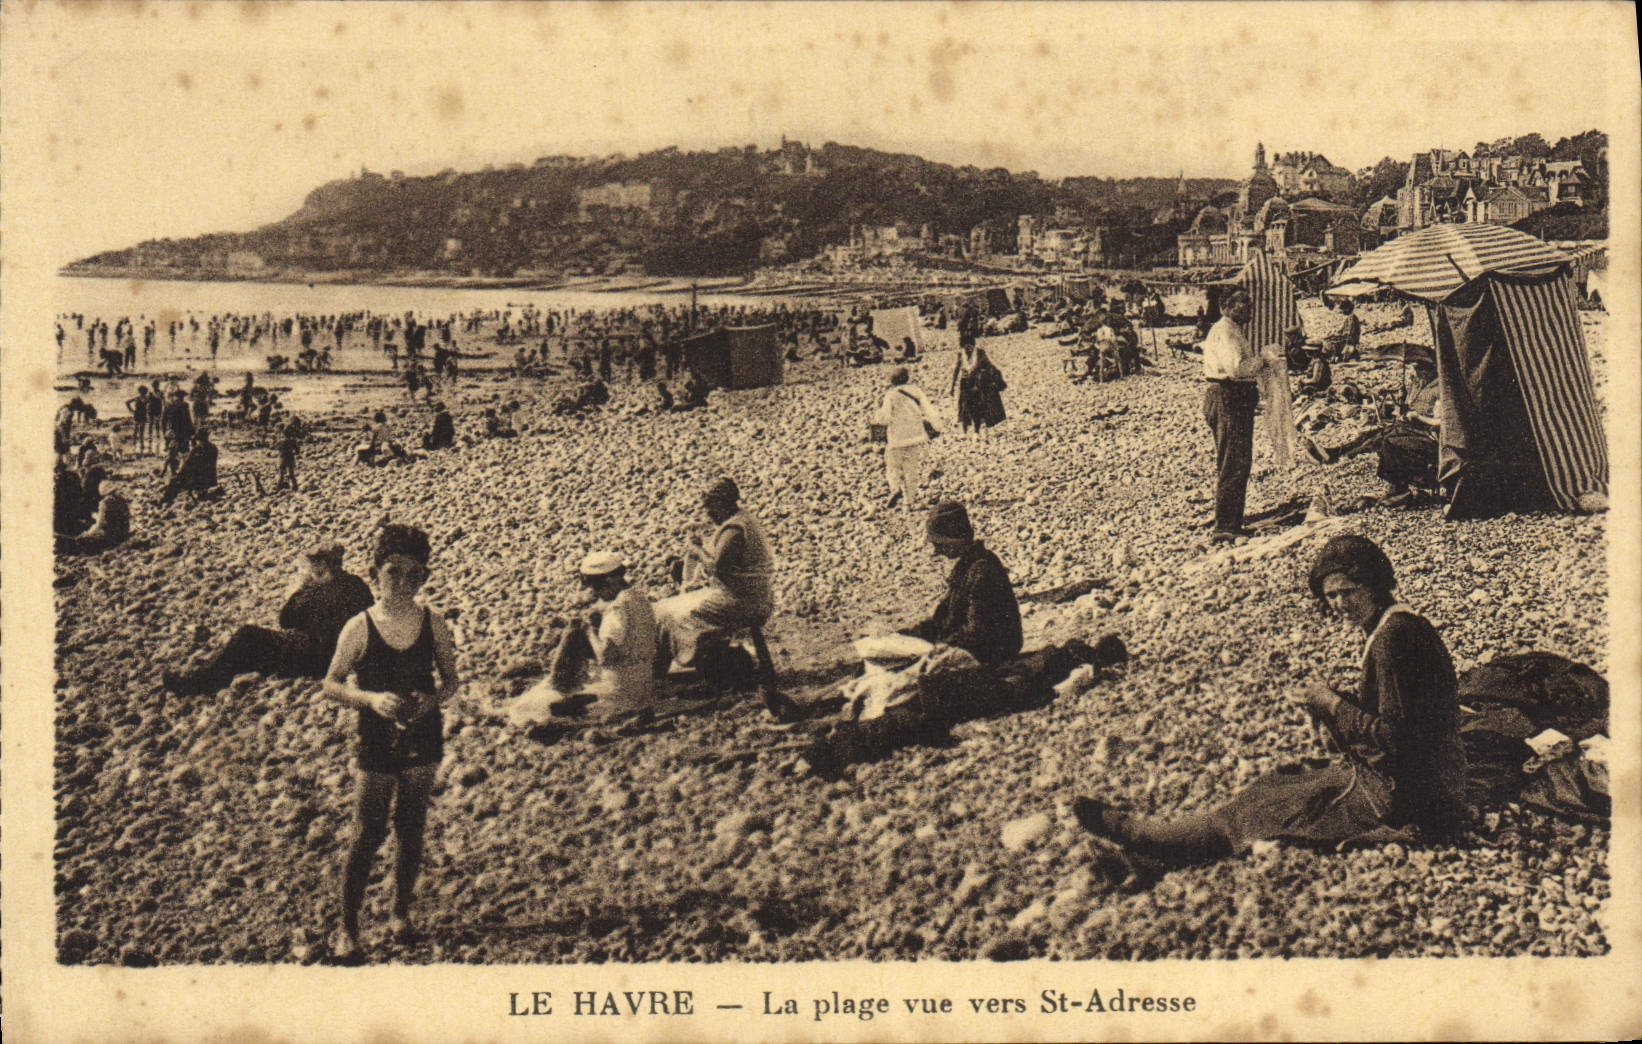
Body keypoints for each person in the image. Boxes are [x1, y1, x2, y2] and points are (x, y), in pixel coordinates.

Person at [1073, 536, 1470, 870]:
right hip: (1416, 779)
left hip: (1408, 794)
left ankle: (1143, 838)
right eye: (1331, 596)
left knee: (1270, 811)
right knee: (1276, 789)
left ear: (1373, 585)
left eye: (1348, 592)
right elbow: (1404, 720)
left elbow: (1398, 737)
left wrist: (1332, 704)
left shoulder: (1392, 641)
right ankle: (1148, 858)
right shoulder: (1397, 625)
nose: (1339, 605)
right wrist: (1333, 705)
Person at [322, 525, 459, 961]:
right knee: (367, 831)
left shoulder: (433, 623)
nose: (401, 583)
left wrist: (431, 699)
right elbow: (331, 684)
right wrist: (370, 699)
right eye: (392, 572)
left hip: (422, 730)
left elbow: (451, 682)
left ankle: (400, 913)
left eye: (413, 575)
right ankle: (347, 926)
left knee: (412, 827)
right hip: (375, 735)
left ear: (424, 578)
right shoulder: (359, 627)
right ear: (375, 573)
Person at [163, 538, 375, 695]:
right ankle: (214, 669)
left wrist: (300, 590)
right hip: (341, 656)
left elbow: (286, 620)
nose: (310, 569)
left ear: (322, 565)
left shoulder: (315, 591)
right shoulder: (357, 585)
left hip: (314, 657)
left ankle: (201, 682)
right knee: (252, 650)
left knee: (249, 636)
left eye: (313, 565)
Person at [517, 552, 659, 723]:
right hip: (643, 681)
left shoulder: (617, 610)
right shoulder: (638, 598)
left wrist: (589, 630)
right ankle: (561, 685)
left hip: (620, 690)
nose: (596, 594)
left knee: (545, 709)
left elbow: (606, 657)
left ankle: (560, 685)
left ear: (609, 581)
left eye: (596, 588)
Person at [653, 477, 775, 677]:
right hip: (750, 595)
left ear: (721, 503)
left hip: (741, 601)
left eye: (709, 507)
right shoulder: (743, 520)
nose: (708, 514)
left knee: (667, 614)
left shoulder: (734, 530)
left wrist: (698, 549)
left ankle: (682, 661)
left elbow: (717, 569)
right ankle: (664, 666)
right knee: (664, 608)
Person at [1302, 358, 1440, 504]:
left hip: (1423, 432)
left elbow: (1439, 421)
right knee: (1371, 435)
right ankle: (1335, 452)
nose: (1415, 373)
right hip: (1408, 426)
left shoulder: (1438, 389)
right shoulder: (1417, 385)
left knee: (1383, 439)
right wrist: (1403, 402)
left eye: (1419, 370)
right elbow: (1407, 406)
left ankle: (1341, 456)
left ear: (1429, 371)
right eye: (1414, 369)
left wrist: (1418, 417)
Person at [1200, 289, 1278, 541]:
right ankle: (1225, 526)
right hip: (1227, 397)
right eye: (1243, 304)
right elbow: (1236, 369)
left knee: (1238, 460)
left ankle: (1232, 519)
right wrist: (1262, 360)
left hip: (1232, 398)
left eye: (1249, 303)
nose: (1249, 309)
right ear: (1227, 306)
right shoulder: (1225, 331)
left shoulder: (1230, 329)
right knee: (1233, 461)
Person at [906, 501, 1022, 665]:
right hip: (971, 648)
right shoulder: (968, 567)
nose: (937, 551)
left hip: (991, 655)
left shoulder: (982, 571)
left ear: (955, 540)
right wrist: (910, 634)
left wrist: (939, 646)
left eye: (940, 544)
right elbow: (945, 620)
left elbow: (977, 634)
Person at [874, 366, 940, 510]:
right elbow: (929, 410)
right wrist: (937, 426)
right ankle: (908, 503)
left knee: (892, 466)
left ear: (892, 381)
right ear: (907, 378)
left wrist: (877, 417)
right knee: (911, 470)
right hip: (915, 437)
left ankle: (895, 487)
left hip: (896, 439)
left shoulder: (890, 395)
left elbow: (884, 417)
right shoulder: (916, 392)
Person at [950, 337, 1006, 435]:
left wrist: (993, 376)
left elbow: (989, 365)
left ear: (974, 346)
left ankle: (977, 429)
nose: (968, 349)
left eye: (970, 347)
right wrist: (952, 387)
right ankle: (965, 431)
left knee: (978, 406)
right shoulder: (961, 355)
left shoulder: (980, 353)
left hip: (977, 384)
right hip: (965, 384)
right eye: (966, 347)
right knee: (964, 408)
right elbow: (956, 370)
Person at [158, 424, 219, 506]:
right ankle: (166, 500)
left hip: (197, 480)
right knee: (179, 479)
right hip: (211, 480)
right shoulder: (213, 448)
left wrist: (179, 475)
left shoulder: (197, 449)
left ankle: (165, 501)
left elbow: (187, 465)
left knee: (175, 481)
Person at [276, 415, 306, 491]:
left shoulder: (286, 433)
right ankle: (292, 486)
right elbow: (296, 441)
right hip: (286, 454)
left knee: (283, 471)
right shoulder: (289, 433)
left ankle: (281, 486)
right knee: (288, 472)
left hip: (284, 454)